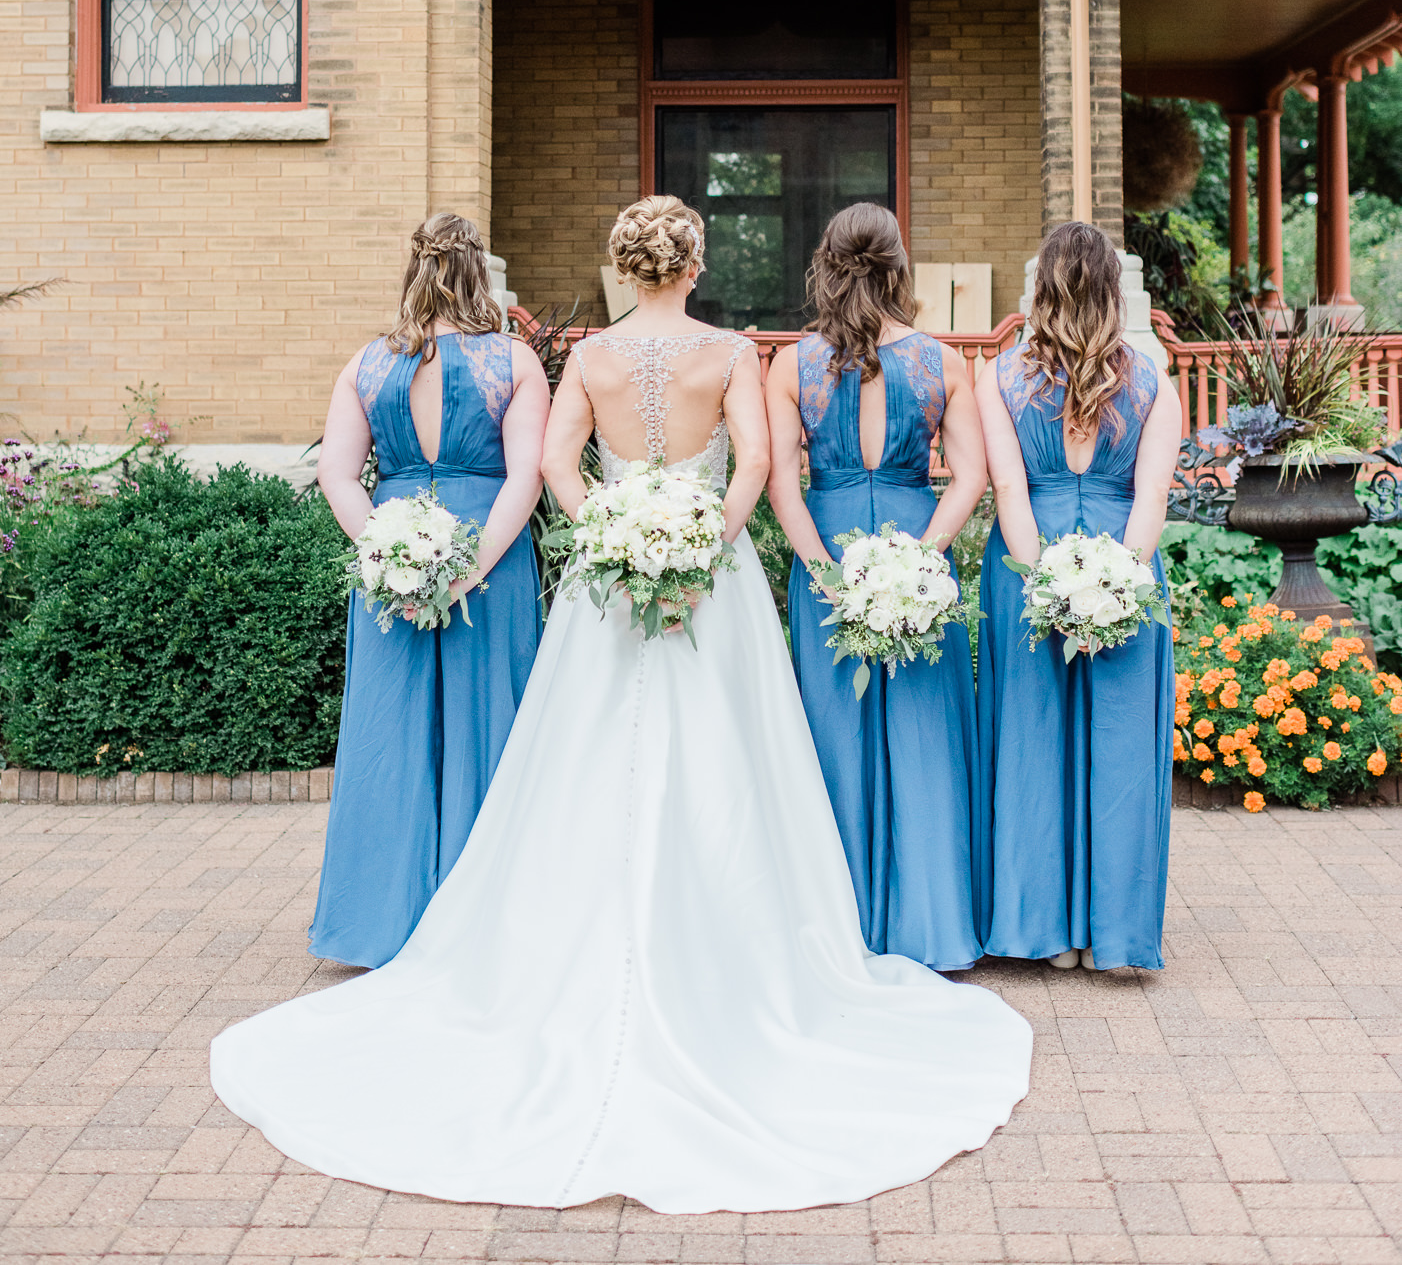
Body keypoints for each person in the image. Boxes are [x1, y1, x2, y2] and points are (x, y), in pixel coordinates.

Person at [210, 195, 1031, 1214]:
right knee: (734, 763)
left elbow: (555, 465)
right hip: (709, 590)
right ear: (692, 267)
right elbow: (760, 467)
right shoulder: (732, 353)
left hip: (610, 592)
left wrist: (615, 534)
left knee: (577, 766)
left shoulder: (587, 356)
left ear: (623, 268)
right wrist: (698, 544)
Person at [307, 212, 549, 969]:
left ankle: (379, 923)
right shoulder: (514, 362)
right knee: (490, 730)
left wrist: (381, 548)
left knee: (390, 736)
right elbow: (527, 476)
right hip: (493, 563)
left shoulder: (365, 364)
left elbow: (337, 474)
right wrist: (474, 566)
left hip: (393, 567)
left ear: (412, 270)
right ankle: (488, 923)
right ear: (482, 272)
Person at [766, 203, 988, 971]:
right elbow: (972, 477)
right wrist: (923, 559)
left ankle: (839, 929)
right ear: (899, 267)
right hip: (914, 544)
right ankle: (933, 927)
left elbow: (781, 486)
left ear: (826, 264)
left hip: (825, 550)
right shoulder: (944, 361)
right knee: (926, 735)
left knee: (832, 739)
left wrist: (824, 572)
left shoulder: (790, 364)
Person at [975, 221, 1181, 973]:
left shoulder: (997, 377)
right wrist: (1115, 586)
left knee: (1033, 746)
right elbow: (1152, 494)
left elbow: (1008, 490)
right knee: (1120, 750)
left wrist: (1046, 589)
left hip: (1027, 575)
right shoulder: (1155, 380)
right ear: (1112, 292)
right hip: (1126, 576)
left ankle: (1047, 935)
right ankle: (1110, 936)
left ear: (1041, 291)